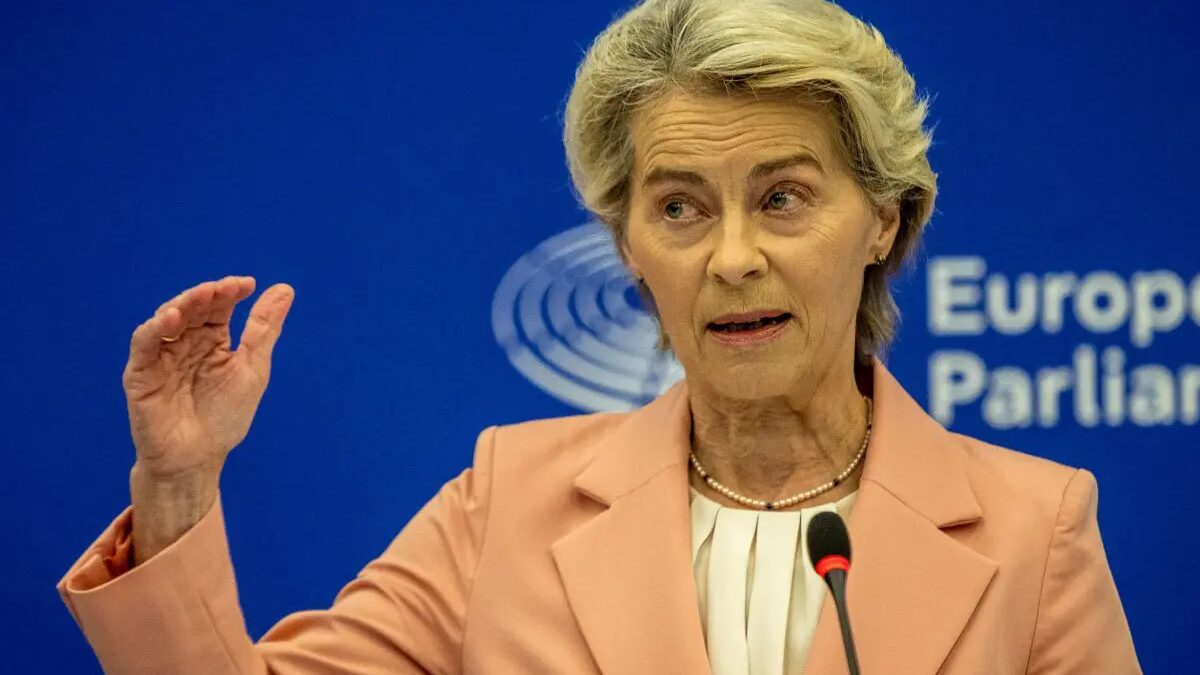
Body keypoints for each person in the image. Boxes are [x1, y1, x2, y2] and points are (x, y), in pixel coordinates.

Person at [58, 0, 1142, 673]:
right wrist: (179, 486)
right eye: (679, 207)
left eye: (782, 198)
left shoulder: (1034, 530)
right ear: (627, 246)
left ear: (884, 221)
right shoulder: (506, 506)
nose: (731, 258)